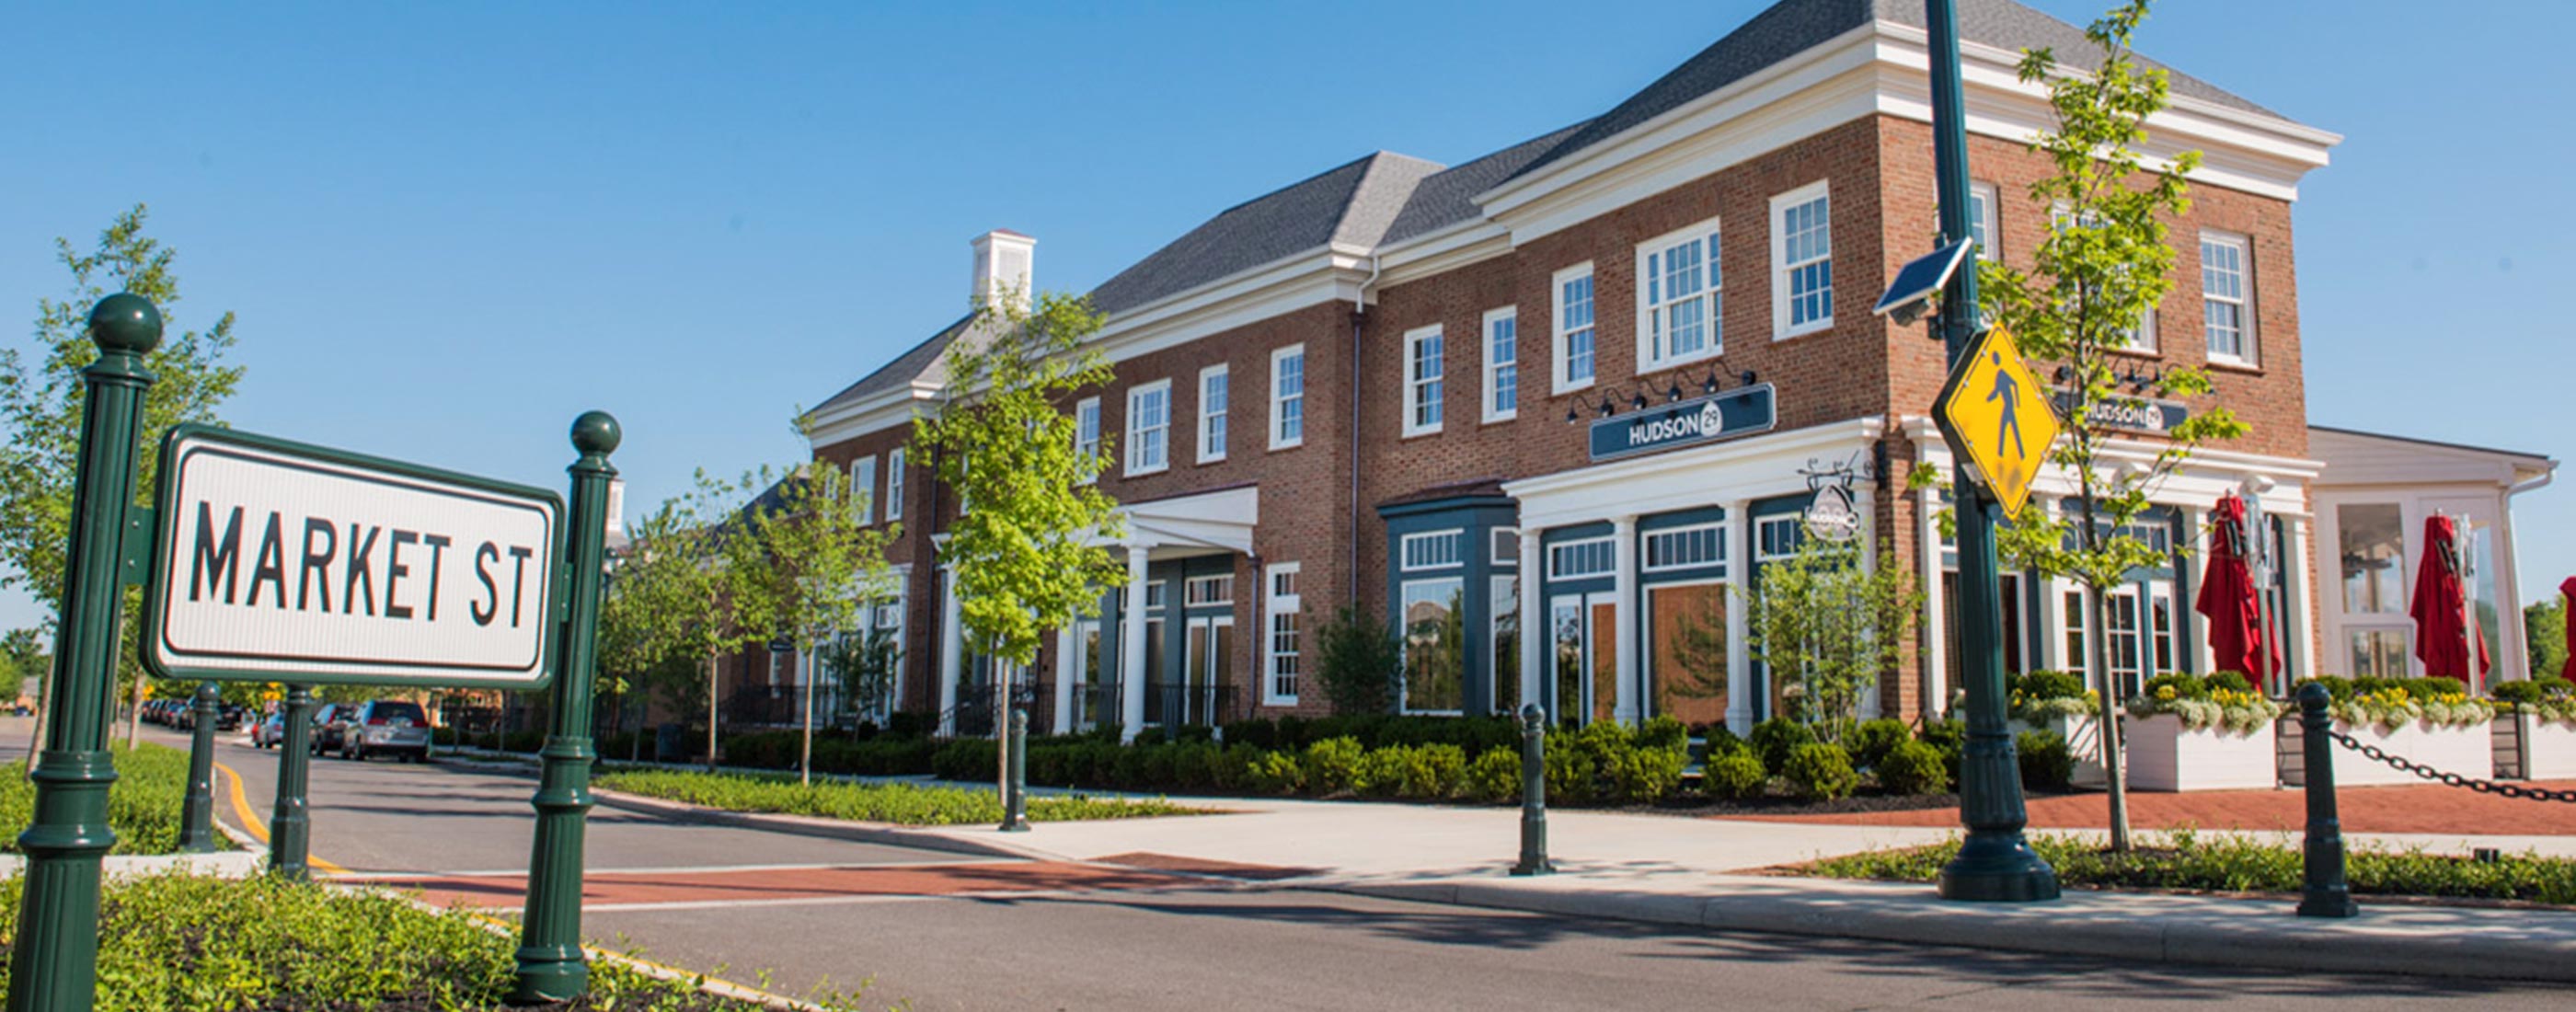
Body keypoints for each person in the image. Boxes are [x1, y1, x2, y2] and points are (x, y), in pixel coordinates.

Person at [1984, 350, 2023, 458]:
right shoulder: (1997, 375)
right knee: (2010, 428)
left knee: (2007, 428)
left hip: (2009, 406)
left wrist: (2018, 402)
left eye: (1996, 358)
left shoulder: (2002, 373)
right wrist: (1989, 398)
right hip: (2007, 406)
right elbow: (1997, 391)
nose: (1994, 360)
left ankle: (2003, 452)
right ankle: (2006, 452)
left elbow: (2015, 383)